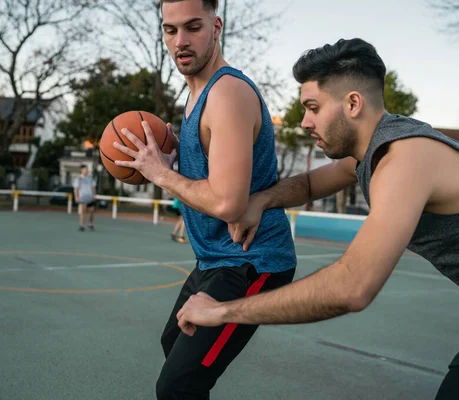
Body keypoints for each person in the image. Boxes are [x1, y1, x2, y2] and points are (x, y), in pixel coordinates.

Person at [175, 38, 459, 399]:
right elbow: (307, 183)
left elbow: (351, 288)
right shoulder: (374, 151)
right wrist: (262, 200)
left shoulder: (404, 160)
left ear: (353, 103)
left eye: (313, 107)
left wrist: (223, 311)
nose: (304, 122)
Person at [112, 0, 297, 398]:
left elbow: (229, 203)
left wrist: (160, 173)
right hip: (216, 258)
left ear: (216, 26)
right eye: (169, 29)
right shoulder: (195, 93)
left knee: (179, 384)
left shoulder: (227, 92)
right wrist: (175, 155)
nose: (180, 40)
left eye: (192, 27)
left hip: (252, 261)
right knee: (173, 345)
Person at [73, 165, 96, 231]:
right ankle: (82, 225)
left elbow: (93, 187)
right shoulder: (78, 179)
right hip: (82, 198)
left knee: (91, 211)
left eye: (87, 169)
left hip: (90, 197)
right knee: (83, 212)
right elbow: (75, 188)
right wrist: (76, 196)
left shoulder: (90, 178)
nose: (86, 171)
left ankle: (90, 224)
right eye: (85, 169)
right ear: (82, 170)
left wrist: (94, 195)